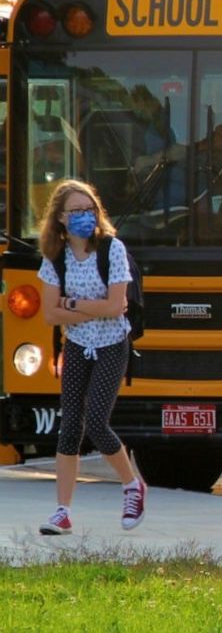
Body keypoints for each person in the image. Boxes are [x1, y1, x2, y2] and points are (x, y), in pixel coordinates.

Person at [36, 179, 146, 535]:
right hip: (78, 346)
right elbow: (50, 314)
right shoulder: (55, 258)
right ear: (61, 219)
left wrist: (72, 304)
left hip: (112, 344)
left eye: (90, 210)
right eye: (76, 211)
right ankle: (62, 511)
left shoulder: (111, 249)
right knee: (70, 426)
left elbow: (117, 306)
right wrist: (91, 310)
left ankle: (132, 485)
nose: (85, 217)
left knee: (97, 421)